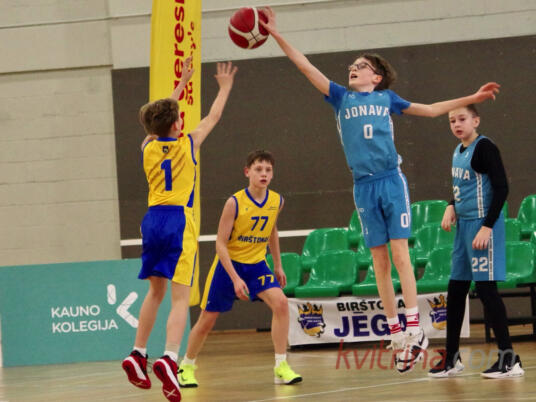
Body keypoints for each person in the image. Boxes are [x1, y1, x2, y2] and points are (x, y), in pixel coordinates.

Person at [259, 7, 501, 373]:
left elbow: (432, 109)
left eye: (360, 66)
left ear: (376, 76)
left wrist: (472, 97)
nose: (352, 69)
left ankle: (415, 329)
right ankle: (397, 333)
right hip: (363, 186)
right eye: (351, 66)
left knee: (401, 254)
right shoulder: (340, 97)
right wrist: (277, 35)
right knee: (379, 261)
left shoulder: (388, 99)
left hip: (390, 180)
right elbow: (306, 67)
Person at [121, 58, 238, 402]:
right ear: (177, 124)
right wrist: (225, 88)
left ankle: (138, 352)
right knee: (180, 298)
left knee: (154, 293)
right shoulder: (190, 143)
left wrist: (180, 84)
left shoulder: (147, 146)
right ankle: (170, 358)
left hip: (151, 220)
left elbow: (155, 121)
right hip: (179, 220)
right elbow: (213, 116)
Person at [177, 150, 302, 387]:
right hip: (228, 266)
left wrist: (278, 265)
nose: (264, 174)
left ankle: (281, 366)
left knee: (281, 303)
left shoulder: (277, 201)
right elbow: (220, 244)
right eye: (258, 169)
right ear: (247, 172)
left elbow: (272, 232)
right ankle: (186, 366)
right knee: (207, 320)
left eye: (268, 170)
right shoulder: (234, 203)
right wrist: (235, 278)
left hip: (257, 265)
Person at [428, 105, 524, 379]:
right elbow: (464, 187)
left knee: (486, 290)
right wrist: (451, 205)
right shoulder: (458, 151)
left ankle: (510, 359)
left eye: (462, 119)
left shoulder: (485, 148)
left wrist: (487, 226)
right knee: (456, 289)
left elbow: (502, 188)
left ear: (476, 120)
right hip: (464, 226)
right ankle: (451, 359)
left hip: (483, 225)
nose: (457, 124)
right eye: (452, 120)